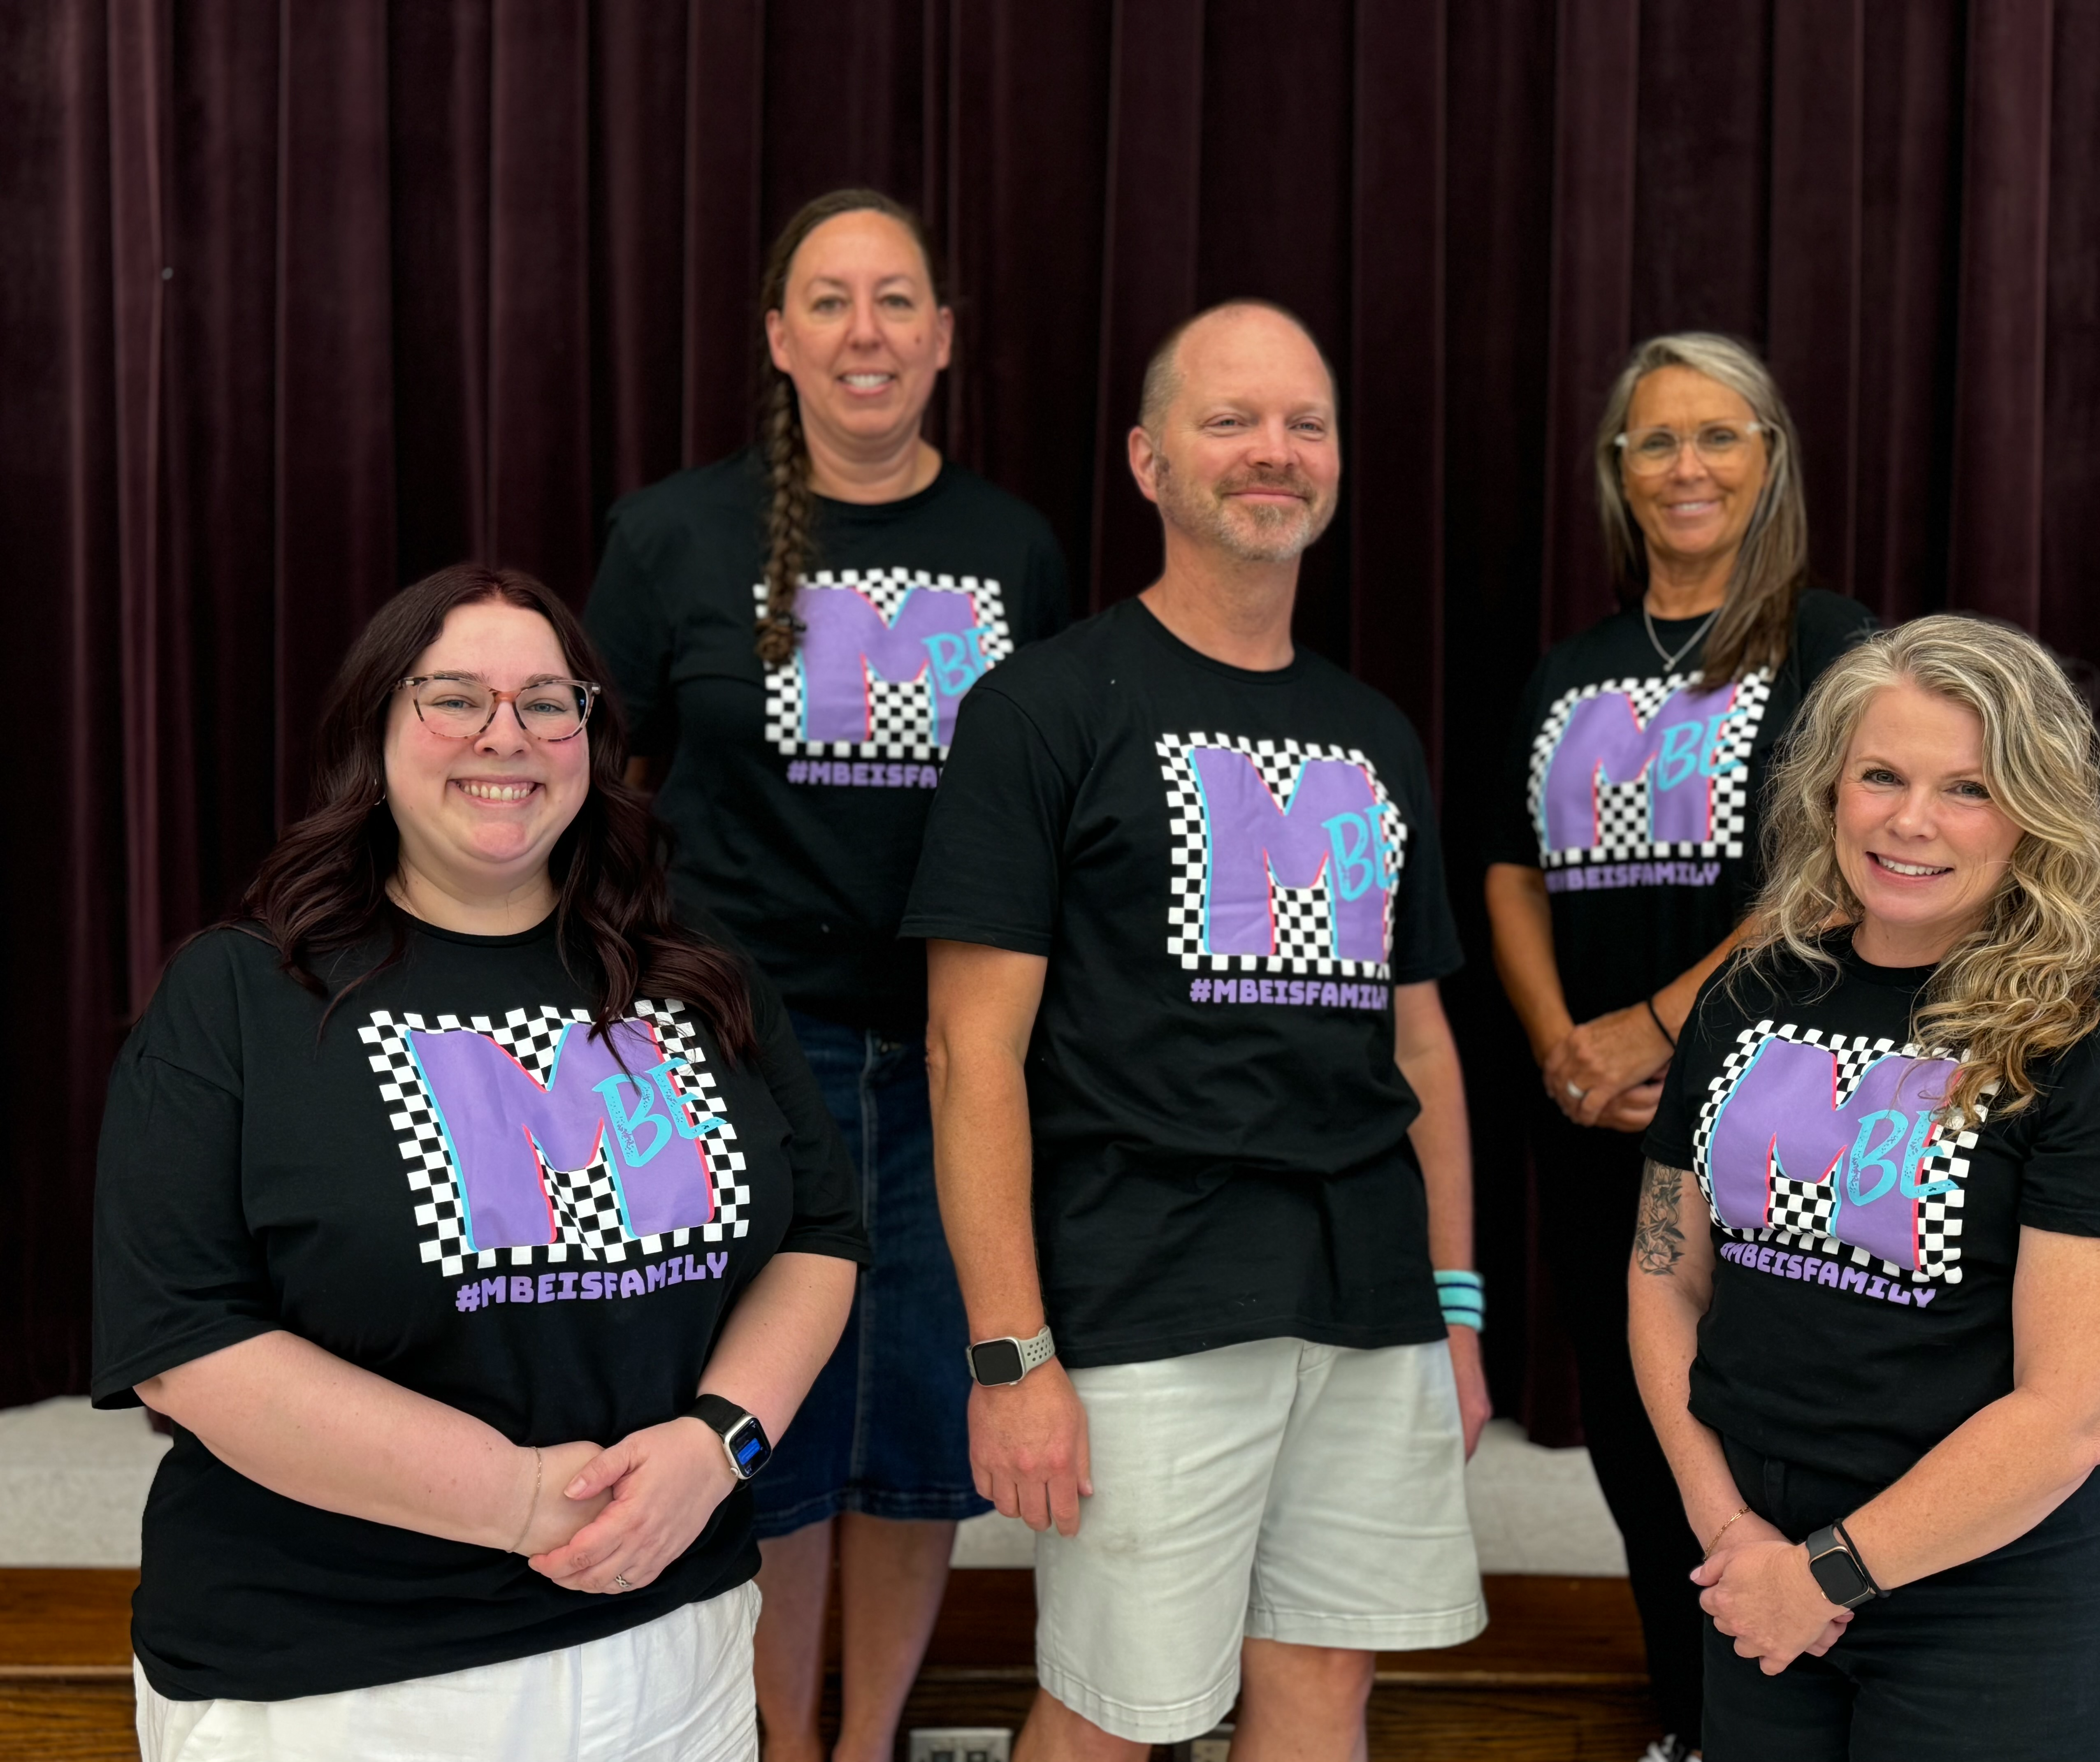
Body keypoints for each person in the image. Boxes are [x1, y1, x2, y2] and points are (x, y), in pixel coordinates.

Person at [91, 564, 868, 1762]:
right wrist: (512, 1499)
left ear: (590, 739)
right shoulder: (241, 994)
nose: (506, 735)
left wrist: (722, 1442)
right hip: (336, 1682)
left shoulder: (695, 973)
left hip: (674, 1644)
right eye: (454, 697)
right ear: (376, 727)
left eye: (548, 702)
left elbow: (821, 1232)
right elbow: (184, 1343)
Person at [904, 299, 1491, 1762]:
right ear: (1150, 459)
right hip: (1144, 1298)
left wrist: (1458, 1310)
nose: (1272, 452)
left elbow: (1418, 1048)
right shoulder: (1040, 709)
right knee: (1116, 1717)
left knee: (1321, 1693)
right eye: (1230, 420)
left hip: (1367, 1299)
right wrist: (1008, 1354)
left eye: (1304, 422)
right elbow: (969, 1054)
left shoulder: (1377, 731)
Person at [584, 188, 1070, 1760]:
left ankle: (870, 1746)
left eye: (898, 301)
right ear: (780, 337)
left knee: (920, 1420)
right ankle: (781, 1742)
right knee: (776, 1422)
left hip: (955, 1056)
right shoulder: (673, 537)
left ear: (943, 337)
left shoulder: (1015, 550)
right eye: (832, 301)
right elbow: (606, 789)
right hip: (742, 1054)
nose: (867, 331)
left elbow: (1055, 813)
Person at [1629, 614, 2100, 1761]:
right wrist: (1732, 1531)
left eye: (1968, 789)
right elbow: (1663, 1278)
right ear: (1828, 790)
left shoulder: (2089, 1044)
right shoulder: (1746, 996)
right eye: (1880, 775)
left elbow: (2073, 1415)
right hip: (1759, 1580)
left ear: (2033, 814)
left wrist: (1829, 1570)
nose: (1910, 820)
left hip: (1998, 1607)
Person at [1483, 332, 1873, 1760]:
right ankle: (1694, 1716)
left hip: (1768, 1111)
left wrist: (1653, 1025)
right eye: (1656, 440)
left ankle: (1791, 1708)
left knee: (1768, 1411)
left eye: (1720, 436)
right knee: (1642, 1424)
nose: (1687, 465)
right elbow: (1513, 868)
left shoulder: (1834, 644)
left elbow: (1833, 870)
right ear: (1618, 472)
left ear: (1769, 460)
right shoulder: (1569, 668)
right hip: (1593, 1115)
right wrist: (1562, 1048)